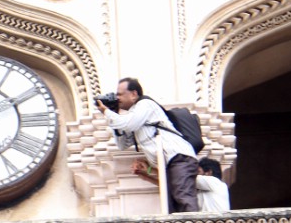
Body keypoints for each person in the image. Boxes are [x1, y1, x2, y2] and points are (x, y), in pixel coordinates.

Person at [98, 78, 198, 213]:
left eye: (120, 94)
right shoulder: (133, 115)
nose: (117, 98)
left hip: (179, 157)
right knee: (172, 205)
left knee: (182, 196)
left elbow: (127, 124)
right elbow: (123, 144)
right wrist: (114, 114)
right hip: (168, 163)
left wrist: (106, 112)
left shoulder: (145, 105)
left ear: (134, 94)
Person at [132, 156, 230, 213]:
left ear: (208, 172)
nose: (194, 175)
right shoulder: (204, 189)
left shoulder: (215, 183)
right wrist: (146, 177)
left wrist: (150, 169)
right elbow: (173, 184)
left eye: (197, 172)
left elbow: (181, 178)